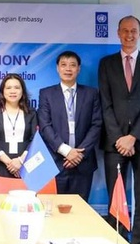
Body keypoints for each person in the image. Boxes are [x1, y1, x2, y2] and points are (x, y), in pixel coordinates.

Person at [98, 15, 140, 244]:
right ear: (118, 33)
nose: (129, 35)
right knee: (116, 198)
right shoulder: (107, 64)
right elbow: (105, 103)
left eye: (133, 30)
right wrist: (120, 138)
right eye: (124, 31)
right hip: (115, 144)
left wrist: (133, 136)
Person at [38, 51, 102, 201]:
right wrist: (66, 151)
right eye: (64, 65)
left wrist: (79, 154)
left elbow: (96, 124)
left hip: (83, 163)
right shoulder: (46, 94)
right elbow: (45, 126)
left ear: (78, 69)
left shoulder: (91, 93)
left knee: (80, 211)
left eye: (72, 65)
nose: (68, 69)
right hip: (56, 162)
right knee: (54, 210)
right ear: (57, 68)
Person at [0, 74, 37, 178]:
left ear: (22, 91)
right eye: (8, 88)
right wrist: (9, 163)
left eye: (17, 88)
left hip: (25, 164)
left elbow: (35, 139)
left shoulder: (31, 113)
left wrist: (20, 161)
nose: (13, 91)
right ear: (2, 91)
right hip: (1, 164)